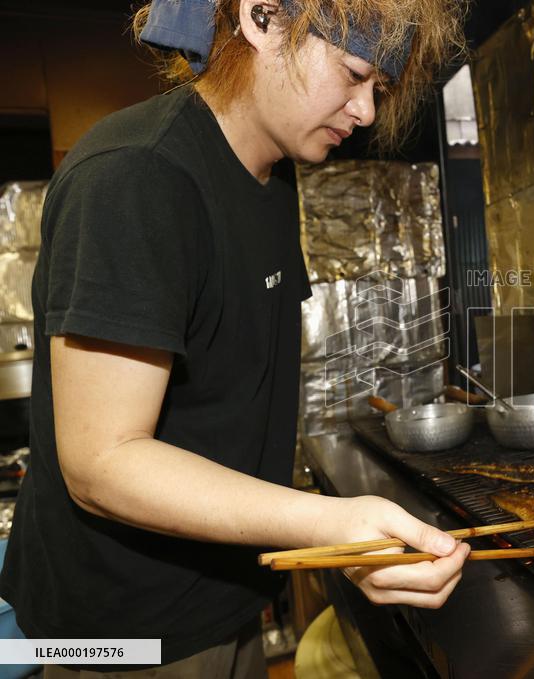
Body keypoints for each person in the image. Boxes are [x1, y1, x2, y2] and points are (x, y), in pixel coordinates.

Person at [0, 0, 468, 675]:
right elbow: (102, 462)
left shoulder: (273, 181)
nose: (366, 112)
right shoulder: (136, 175)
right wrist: (330, 524)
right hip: (120, 638)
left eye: (380, 89)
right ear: (263, 18)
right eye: (354, 73)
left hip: (224, 602)